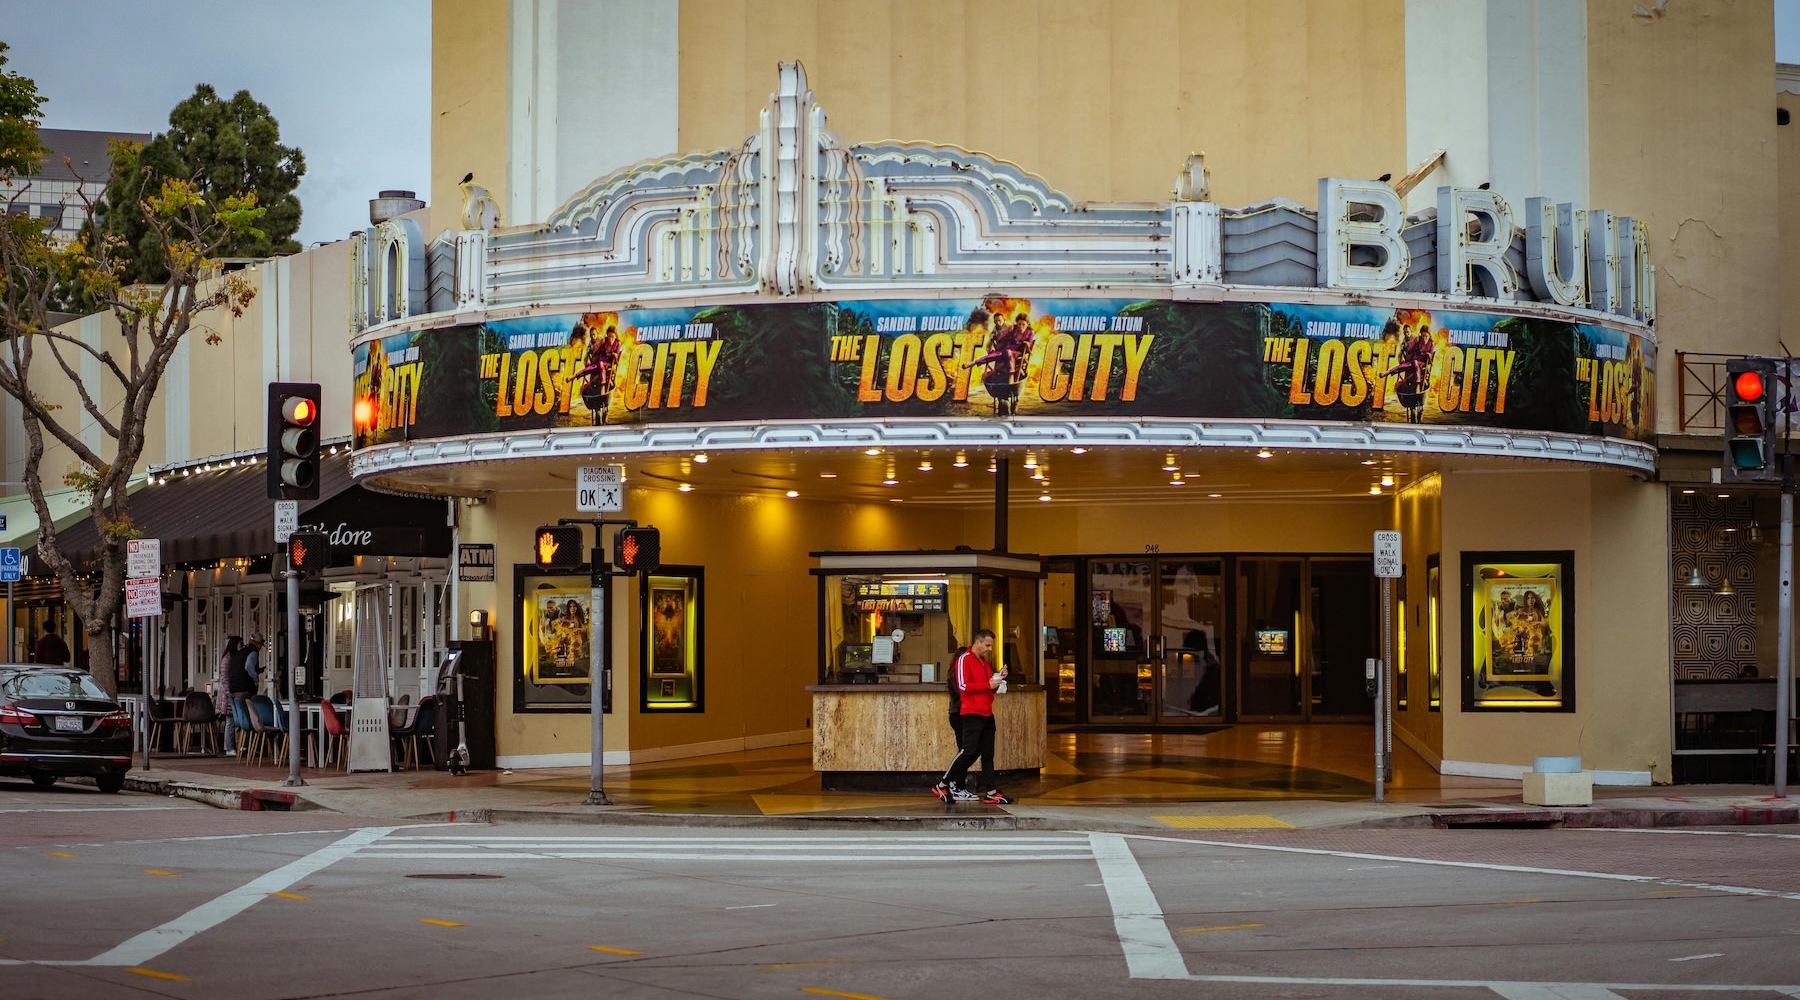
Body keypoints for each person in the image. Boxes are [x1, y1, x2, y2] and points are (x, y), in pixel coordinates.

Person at [932, 628, 1011, 805]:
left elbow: (987, 687)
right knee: (968, 751)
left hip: (987, 712)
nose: (990, 649)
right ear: (978, 642)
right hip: (971, 713)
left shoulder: (984, 663)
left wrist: (998, 680)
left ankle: (991, 791)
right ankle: (943, 783)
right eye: (988, 645)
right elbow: (963, 686)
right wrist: (988, 684)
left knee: (988, 753)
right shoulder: (964, 659)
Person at [215, 636, 243, 757]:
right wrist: (228, 693)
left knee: (232, 720)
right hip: (228, 693)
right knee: (230, 720)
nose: (241, 647)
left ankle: (234, 745)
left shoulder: (231, 658)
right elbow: (225, 678)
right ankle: (229, 747)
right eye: (240, 644)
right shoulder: (227, 660)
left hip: (231, 691)